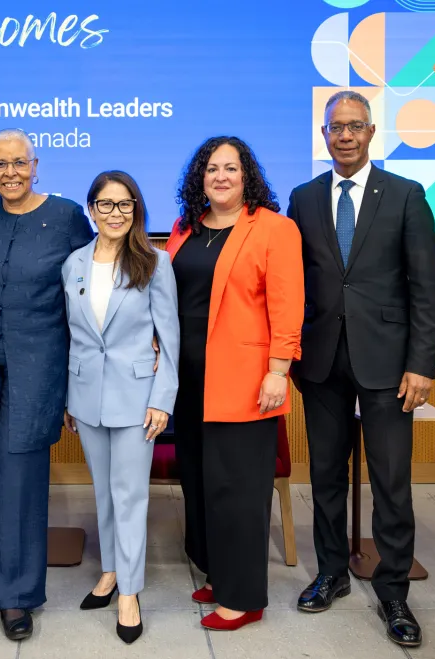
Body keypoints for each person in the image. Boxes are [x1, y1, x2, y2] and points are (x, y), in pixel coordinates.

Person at [288, 90, 435, 647]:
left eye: (355, 126)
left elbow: (426, 289)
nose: (345, 135)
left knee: (391, 482)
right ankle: (331, 573)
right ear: (324, 135)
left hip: (389, 364)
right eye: (336, 127)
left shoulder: (406, 195)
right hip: (322, 360)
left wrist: (421, 364)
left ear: (372, 132)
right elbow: (293, 282)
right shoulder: (303, 198)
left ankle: (393, 590)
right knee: (326, 477)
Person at [0, 128, 93, 641]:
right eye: (0, 164)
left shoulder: (67, 216)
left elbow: (93, 284)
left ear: (36, 166)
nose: (10, 172)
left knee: (18, 474)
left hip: (37, 365)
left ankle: (17, 595)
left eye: (19, 163)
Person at [167, 136, 304, 632]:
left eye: (230, 168)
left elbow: (288, 306)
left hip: (246, 382)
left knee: (239, 492)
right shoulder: (185, 228)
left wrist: (278, 371)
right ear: (199, 178)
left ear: (247, 175)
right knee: (201, 483)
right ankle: (218, 574)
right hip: (187, 383)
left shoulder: (274, 229)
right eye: (211, 169)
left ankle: (243, 598)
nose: (220, 176)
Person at [61, 171, 179, 644]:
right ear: (91, 209)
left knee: (129, 495)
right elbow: (73, 336)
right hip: (86, 397)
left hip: (137, 399)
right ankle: (110, 570)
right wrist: (69, 397)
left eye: (124, 204)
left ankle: (129, 591)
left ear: (136, 209)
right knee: (105, 493)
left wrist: (162, 399)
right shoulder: (73, 263)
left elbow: (170, 338)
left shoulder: (155, 262)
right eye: (106, 204)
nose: (115, 213)